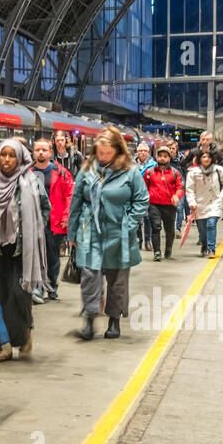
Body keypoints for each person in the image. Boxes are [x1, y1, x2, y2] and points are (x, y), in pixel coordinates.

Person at [67, 128, 148, 340]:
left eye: (107, 153)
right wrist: (72, 233)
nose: (102, 157)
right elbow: (76, 201)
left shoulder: (130, 172)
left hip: (118, 234)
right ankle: (90, 318)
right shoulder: (86, 170)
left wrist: (128, 224)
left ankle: (114, 320)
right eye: (99, 153)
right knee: (90, 276)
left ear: (117, 150)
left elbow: (141, 200)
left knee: (117, 280)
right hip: (90, 231)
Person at [0, 139, 50, 360]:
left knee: (19, 294)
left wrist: (34, 229)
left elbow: (45, 207)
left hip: (23, 249)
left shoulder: (30, 180)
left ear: (20, 157)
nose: (6, 159)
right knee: (2, 297)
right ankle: (4, 345)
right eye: (2, 155)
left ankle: (25, 332)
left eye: (11, 155)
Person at [30, 137, 74, 302]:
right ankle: (38, 288)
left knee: (52, 257)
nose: (40, 152)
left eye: (44, 150)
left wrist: (66, 217)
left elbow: (70, 194)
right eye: (37, 150)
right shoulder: (28, 172)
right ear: (33, 152)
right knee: (35, 256)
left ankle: (52, 286)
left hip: (54, 222)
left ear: (50, 152)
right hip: (33, 221)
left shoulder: (61, 172)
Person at [186, 150, 223, 259]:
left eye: (208, 157)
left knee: (211, 224)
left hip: (215, 202)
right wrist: (192, 202)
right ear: (199, 159)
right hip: (199, 204)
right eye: (204, 157)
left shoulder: (218, 170)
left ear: (212, 159)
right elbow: (190, 189)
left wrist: (222, 196)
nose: (206, 159)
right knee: (202, 229)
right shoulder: (193, 172)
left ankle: (211, 249)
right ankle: (204, 245)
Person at [141, 146, 184, 261]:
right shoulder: (149, 172)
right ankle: (157, 252)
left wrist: (177, 195)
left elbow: (180, 187)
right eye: (160, 156)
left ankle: (168, 250)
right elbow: (144, 187)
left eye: (165, 156)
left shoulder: (175, 173)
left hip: (169, 206)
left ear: (169, 158)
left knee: (169, 230)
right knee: (156, 227)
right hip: (153, 205)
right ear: (156, 157)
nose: (162, 159)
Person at [133, 142, 156, 253]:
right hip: (135, 195)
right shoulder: (131, 164)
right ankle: (139, 240)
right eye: (140, 151)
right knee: (137, 219)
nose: (142, 153)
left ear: (148, 152)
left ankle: (148, 240)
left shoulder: (153, 165)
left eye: (145, 151)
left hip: (148, 195)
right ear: (137, 152)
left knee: (147, 219)